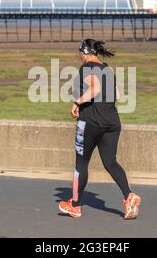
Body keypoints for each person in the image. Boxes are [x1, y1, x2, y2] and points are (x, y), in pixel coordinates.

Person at [58, 39, 141, 219]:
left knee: (81, 163)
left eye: (80, 52)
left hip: (90, 122)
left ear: (84, 53)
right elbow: (117, 94)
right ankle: (129, 195)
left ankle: (75, 205)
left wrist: (77, 102)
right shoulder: (106, 69)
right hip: (112, 122)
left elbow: (95, 89)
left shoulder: (87, 68)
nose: (79, 56)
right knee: (110, 162)